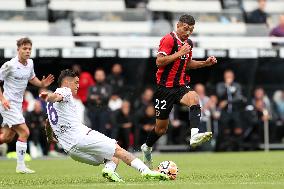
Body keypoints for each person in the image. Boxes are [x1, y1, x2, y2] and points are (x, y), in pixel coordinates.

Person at [39, 69, 168, 182]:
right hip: (82, 137)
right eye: (76, 82)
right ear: (67, 82)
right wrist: (47, 96)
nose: (78, 86)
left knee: (112, 155)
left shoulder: (51, 106)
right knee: (118, 149)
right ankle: (146, 171)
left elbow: (48, 122)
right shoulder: (65, 91)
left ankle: (109, 170)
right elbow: (55, 97)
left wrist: (50, 138)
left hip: (71, 150)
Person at [141, 14, 217, 168]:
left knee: (194, 97)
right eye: (186, 28)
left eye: (191, 29)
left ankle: (194, 135)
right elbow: (159, 62)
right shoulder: (169, 39)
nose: (188, 32)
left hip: (180, 86)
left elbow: (187, 64)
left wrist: (205, 63)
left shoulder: (189, 43)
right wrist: (179, 53)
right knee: (161, 129)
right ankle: (147, 148)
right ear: (178, 25)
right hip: (164, 89)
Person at [0, 37, 54, 173]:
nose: (28, 51)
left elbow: (31, 78)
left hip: (17, 105)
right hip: (8, 104)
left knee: (7, 138)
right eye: (24, 48)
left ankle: (20, 165)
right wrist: (2, 99)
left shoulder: (30, 63)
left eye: (29, 48)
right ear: (18, 49)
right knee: (25, 132)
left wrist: (41, 84)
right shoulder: (9, 65)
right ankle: (20, 166)